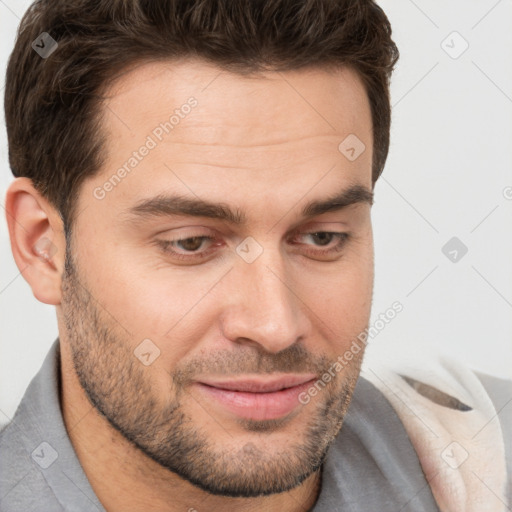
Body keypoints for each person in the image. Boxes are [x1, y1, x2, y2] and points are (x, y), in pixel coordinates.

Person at [1, 1, 510, 511]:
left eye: (322, 237)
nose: (275, 326)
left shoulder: (488, 461)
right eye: (191, 243)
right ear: (42, 245)